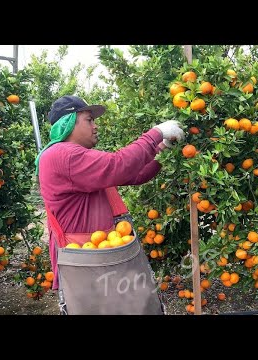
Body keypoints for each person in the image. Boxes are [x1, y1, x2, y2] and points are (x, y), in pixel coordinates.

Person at [35, 95, 184, 314]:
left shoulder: (79, 158)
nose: (95, 126)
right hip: (88, 262)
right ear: (68, 123)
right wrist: (155, 134)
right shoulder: (61, 155)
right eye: (89, 120)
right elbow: (117, 165)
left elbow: (135, 174)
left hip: (103, 256)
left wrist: (161, 149)